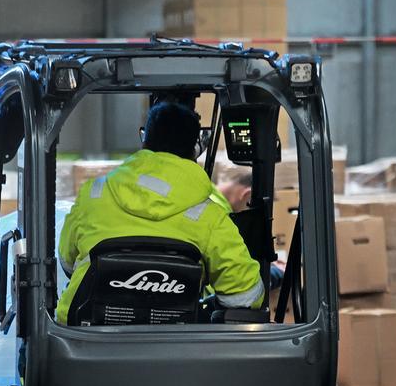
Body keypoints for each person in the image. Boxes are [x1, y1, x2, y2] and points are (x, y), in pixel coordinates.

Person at [56, 100, 264, 323]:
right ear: (195, 149)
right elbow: (245, 296)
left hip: (82, 343)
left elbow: (67, 262)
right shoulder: (209, 216)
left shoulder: (93, 195)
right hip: (174, 350)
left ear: (145, 140)